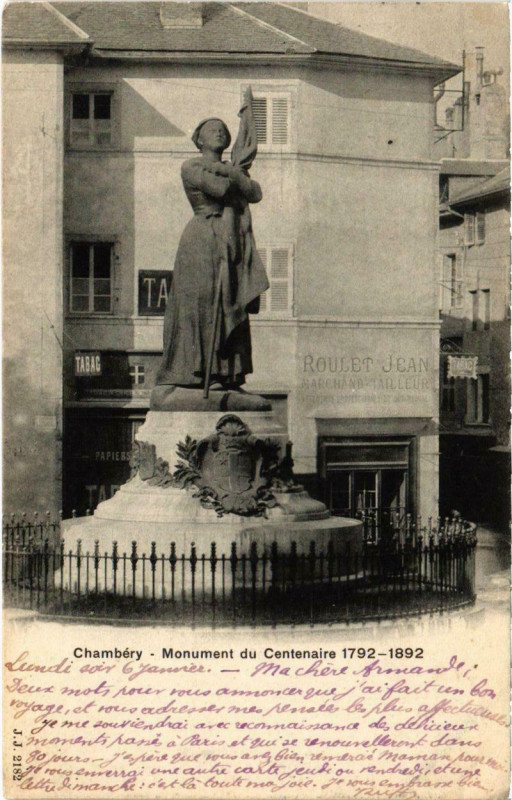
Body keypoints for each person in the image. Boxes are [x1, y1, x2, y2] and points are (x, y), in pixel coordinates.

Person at [150, 117, 271, 412]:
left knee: (231, 302)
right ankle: (197, 373)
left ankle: (228, 375)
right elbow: (223, 190)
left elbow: (255, 193)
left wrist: (235, 174)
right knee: (202, 304)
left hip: (231, 240)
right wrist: (235, 172)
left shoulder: (228, 168)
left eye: (223, 129)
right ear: (199, 139)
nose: (219, 130)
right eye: (211, 128)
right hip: (203, 238)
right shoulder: (191, 167)